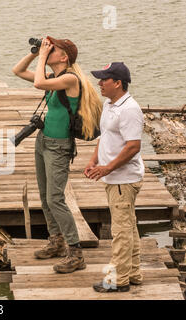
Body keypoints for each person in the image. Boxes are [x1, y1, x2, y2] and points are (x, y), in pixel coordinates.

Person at [12, 36, 102, 273]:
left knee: (55, 198)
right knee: (44, 195)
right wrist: (34, 53)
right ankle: (56, 241)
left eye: (54, 50)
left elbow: (37, 84)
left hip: (59, 146)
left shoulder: (70, 78)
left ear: (64, 57)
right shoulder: (53, 78)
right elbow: (18, 71)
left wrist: (42, 56)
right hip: (43, 142)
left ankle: (75, 253)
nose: (48, 51)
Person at [85, 62, 144, 292]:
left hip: (123, 180)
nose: (99, 83)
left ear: (117, 83)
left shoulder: (129, 109)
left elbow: (133, 147)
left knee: (120, 232)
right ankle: (134, 273)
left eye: (104, 80)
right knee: (129, 228)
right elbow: (105, 136)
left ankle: (117, 280)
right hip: (115, 177)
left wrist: (107, 168)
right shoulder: (110, 104)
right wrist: (94, 160)